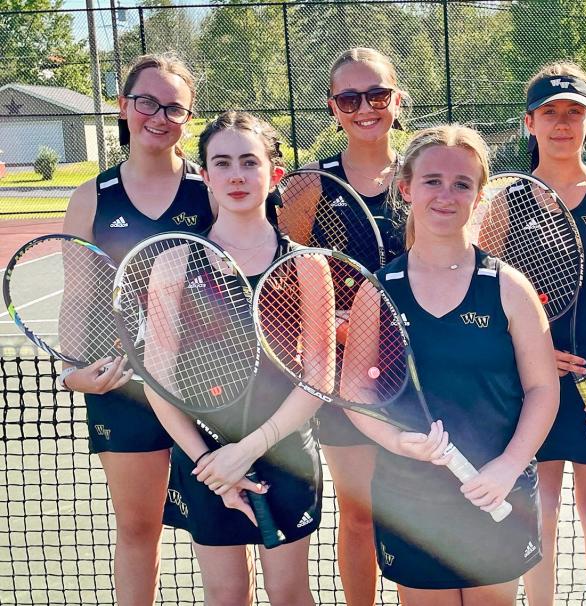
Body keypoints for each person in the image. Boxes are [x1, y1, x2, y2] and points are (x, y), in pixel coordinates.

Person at [343, 124, 559, 605]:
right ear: (406, 188)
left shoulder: (509, 287)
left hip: (496, 489)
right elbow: (355, 392)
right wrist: (395, 439)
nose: (446, 194)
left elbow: (543, 390)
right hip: (411, 497)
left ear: (479, 195)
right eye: (432, 181)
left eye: (462, 184)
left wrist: (508, 465)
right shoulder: (377, 291)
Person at [144, 110, 328, 605]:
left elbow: (318, 378)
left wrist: (245, 453)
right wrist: (209, 463)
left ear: (276, 174)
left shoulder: (307, 266)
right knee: (226, 594)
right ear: (205, 175)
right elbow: (157, 382)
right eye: (222, 163)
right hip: (203, 458)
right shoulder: (174, 262)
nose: (237, 175)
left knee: (289, 592)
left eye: (250, 162)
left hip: (286, 453)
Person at [60, 52, 214, 605]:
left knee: (217, 533)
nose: (159, 115)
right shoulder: (92, 198)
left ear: (188, 118)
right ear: (123, 106)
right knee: (137, 530)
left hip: (208, 388)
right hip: (121, 386)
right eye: (146, 101)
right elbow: (78, 299)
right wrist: (72, 371)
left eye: (174, 107)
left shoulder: (210, 189)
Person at [289, 48, 408, 605]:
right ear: (334, 108)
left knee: (420, 513)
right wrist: (329, 324)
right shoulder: (308, 186)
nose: (365, 108)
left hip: (421, 373)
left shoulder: (424, 174)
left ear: (397, 100)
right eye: (349, 98)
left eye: (377, 95)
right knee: (359, 516)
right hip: (343, 381)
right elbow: (279, 289)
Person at [518, 61, 586, 606]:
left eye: (574, 112)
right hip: (531, 385)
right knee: (539, 509)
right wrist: (534, 357)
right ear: (530, 122)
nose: (562, 123)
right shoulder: (502, 199)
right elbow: (495, 300)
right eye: (550, 112)